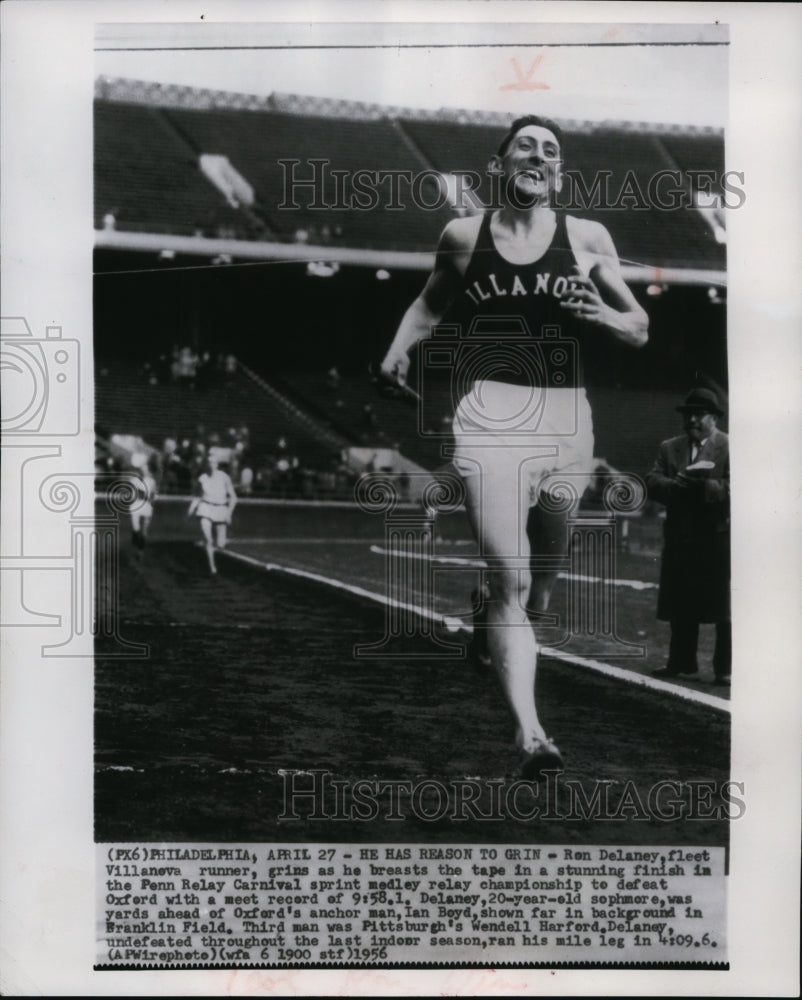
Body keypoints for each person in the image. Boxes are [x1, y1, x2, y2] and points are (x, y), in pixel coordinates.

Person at [380, 114, 648, 778]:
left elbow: (640, 325)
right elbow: (427, 303)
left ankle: (502, 614)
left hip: (568, 422)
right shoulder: (464, 236)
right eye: (525, 145)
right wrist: (396, 351)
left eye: (550, 150)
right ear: (500, 163)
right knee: (513, 578)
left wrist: (607, 317)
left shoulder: (587, 237)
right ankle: (531, 735)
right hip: (493, 415)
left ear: (559, 172)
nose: (538, 155)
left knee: (542, 588)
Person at [646, 387, 731, 685]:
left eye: (699, 415)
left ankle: (725, 668)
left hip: (718, 538)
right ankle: (681, 662)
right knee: (681, 601)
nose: (692, 420)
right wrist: (676, 486)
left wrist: (706, 488)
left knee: (724, 607)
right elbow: (652, 480)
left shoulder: (731, 447)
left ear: (714, 418)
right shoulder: (670, 447)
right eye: (688, 414)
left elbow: (737, 488)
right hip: (681, 536)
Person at [187, 452, 237, 575]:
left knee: (220, 544)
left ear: (217, 464)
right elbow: (198, 496)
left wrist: (229, 513)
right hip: (205, 508)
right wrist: (191, 509)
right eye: (209, 462)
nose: (211, 465)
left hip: (221, 509)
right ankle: (212, 567)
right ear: (206, 464)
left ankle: (213, 548)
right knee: (208, 539)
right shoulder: (202, 478)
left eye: (213, 462)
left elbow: (234, 498)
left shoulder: (224, 477)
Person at [130, 453, 157, 556]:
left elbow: (152, 494)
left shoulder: (151, 481)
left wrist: (152, 504)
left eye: (146, 468)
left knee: (144, 531)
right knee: (136, 528)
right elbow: (132, 493)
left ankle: (140, 551)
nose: (144, 470)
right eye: (142, 468)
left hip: (146, 506)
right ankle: (137, 543)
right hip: (136, 504)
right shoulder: (135, 479)